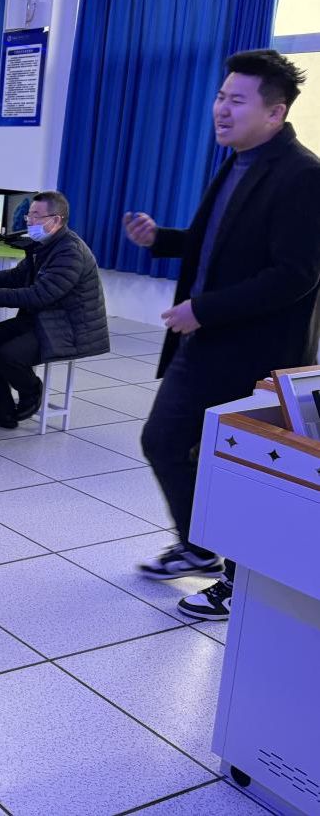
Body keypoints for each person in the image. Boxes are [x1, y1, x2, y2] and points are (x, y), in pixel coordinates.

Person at [124, 49, 320, 620]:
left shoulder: (303, 177)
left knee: (240, 467)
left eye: (237, 100)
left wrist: (203, 310)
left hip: (254, 353)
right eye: (220, 96)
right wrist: (162, 239)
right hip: (208, 342)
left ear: (275, 113)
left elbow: (296, 275)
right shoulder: (240, 161)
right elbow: (223, 243)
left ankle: (239, 578)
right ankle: (201, 545)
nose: (221, 109)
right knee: (166, 442)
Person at [0, 191, 109, 428]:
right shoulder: (44, 245)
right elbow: (17, 276)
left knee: (6, 355)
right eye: (29, 215)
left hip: (68, 328)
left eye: (36, 216)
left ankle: (32, 390)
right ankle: (2, 412)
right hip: (44, 319)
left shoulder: (69, 252)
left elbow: (40, 295)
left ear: (56, 220)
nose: (29, 221)